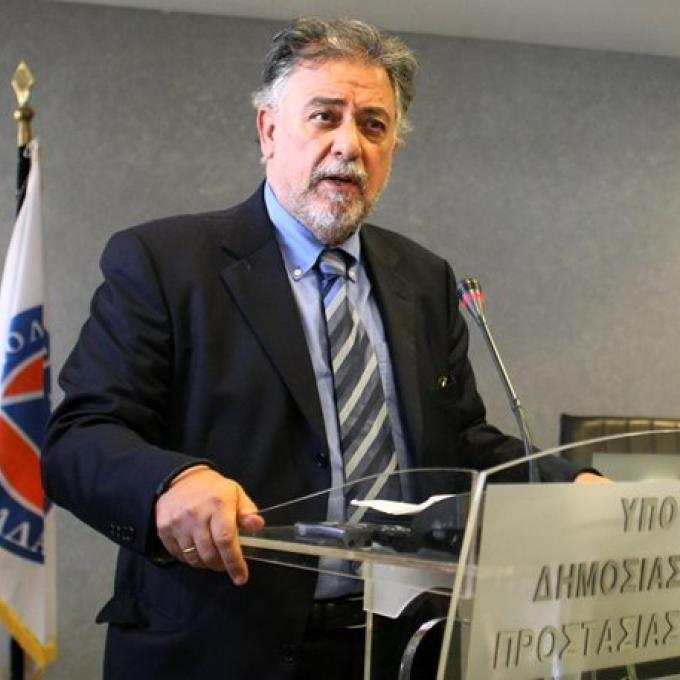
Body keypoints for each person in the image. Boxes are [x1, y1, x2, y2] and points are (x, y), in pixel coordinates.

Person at [42, 17, 600, 680]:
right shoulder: (164, 263)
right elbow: (81, 438)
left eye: (373, 125)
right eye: (325, 116)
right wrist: (169, 483)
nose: (349, 145)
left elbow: (464, 446)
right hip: (220, 646)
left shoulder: (425, 279)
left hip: (399, 646)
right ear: (269, 131)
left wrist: (573, 487)